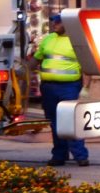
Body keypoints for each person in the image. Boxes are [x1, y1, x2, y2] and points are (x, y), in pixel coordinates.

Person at [29, 13, 89, 167]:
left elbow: (87, 66)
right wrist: (22, 71)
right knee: (55, 123)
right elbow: (37, 59)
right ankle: (59, 155)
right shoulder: (48, 39)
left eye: (57, 22)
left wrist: (86, 87)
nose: (54, 24)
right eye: (53, 21)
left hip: (69, 87)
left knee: (71, 122)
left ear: (68, 24)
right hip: (48, 88)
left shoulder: (77, 41)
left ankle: (80, 155)